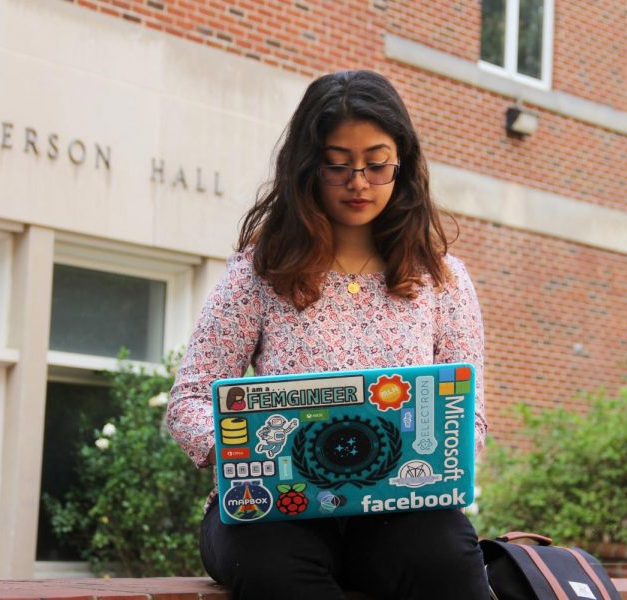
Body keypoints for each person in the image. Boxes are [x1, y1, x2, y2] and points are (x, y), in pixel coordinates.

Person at [167, 69, 489, 600]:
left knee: (447, 561)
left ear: (402, 163)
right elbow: (191, 399)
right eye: (338, 165)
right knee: (276, 572)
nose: (358, 182)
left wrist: (445, 453)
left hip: (398, 511)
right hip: (271, 510)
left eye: (376, 164)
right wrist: (244, 453)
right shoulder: (260, 271)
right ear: (307, 167)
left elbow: (468, 412)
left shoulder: (442, 279)